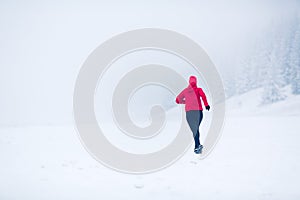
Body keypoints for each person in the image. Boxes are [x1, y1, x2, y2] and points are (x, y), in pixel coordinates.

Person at [175, 75, 210, 154]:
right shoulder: (198, 90)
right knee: (196, 129)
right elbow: (203, 96)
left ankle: (197, 146)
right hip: (198, 112)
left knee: (194, 129)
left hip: (189, 113)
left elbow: (177, 100)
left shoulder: (185, 91)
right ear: (196, 82)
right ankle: (197, 146)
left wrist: (185, 102)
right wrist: (206, 105)